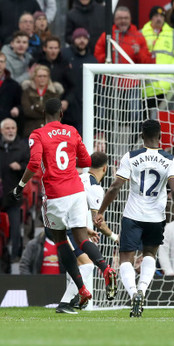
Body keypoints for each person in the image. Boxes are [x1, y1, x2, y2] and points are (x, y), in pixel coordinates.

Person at [10, 98, 116, 310]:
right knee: (81, 238)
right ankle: (105, 268)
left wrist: (20, 186)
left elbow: (33, 163)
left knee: (59, 240)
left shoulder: (38, 134)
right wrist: (68, 158)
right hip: (76, 191)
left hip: (55, 194)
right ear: (61, 114)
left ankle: (82, 289)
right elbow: (86, 162)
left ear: (44, 115)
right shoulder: (71, 131)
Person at [94, 119, 174, 318]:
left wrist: (100, 211)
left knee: (126, 258)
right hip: (156, 218)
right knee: (149, 255)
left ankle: (133, 294)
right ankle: (142, 291)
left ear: (142, 136)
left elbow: (115, 187)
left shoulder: (131, 157)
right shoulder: (172, 160)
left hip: (133, 216)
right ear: (160, 136)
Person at [56, 151, 119, 314]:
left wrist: (85, 229)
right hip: (66, 227)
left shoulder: (80, 176)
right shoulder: (95, 187)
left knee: (77, 264)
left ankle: (73, 300)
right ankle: (65, 302)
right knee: (87, 265)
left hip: (61, 222)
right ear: (105, 168)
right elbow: (98, 220)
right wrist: (114, 236)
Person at [141, 6, 174, 112]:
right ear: (151, 18)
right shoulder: (141, 33)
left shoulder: (173, 34)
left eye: (161, 16)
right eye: (156, 16)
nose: (159, 19)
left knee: (166, 122)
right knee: (146, 123)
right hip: (145, 88)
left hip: (166, 86)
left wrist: (169, 72)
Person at [0, 118, 29, 263]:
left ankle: (14, 257)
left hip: (13, 196)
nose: (10, 131)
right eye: (7, 128)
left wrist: (20, 167)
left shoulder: (23, 147)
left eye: (13, 128)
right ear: (1, 131)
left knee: (16, 228)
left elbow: (31, 167)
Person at [61, 28, 98, 135]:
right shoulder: (64, 55)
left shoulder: (92, 60)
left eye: (84, 38)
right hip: (66, 106)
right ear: (73, 39)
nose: (82, 40)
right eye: (78, 38)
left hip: (84, 108)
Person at [21, 65, 64, 138]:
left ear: (48, 77)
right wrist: (46, 110)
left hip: (50, 132)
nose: (42, 79)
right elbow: (27, 111)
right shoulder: (27, 92)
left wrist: (35, 106)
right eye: (39, 76)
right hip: (31, 131)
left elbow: (56, 113)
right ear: (34, 77)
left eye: (45, 76)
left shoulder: (54, 93)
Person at [0, 53, 23, 134]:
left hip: (6, 125)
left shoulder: (14, 85)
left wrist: (17, 108)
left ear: (5, 64)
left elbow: (20, 104)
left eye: (1, 61)